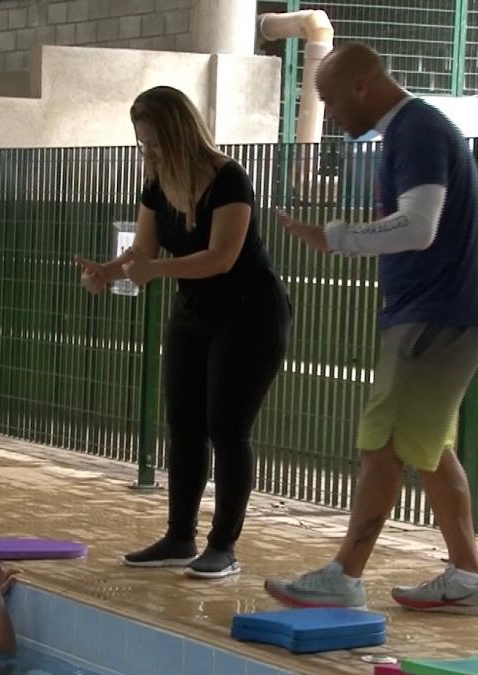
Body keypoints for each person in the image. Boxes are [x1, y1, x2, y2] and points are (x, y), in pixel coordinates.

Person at [264, 43, 478, 616]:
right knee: (428, 447)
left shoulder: (416, 130)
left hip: (434, 313)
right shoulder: (412, 130)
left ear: (362, 85)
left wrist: (336, 237)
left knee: (384, 445)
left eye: (328, 99)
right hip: (445, 311)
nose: (329, 114)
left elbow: (419, 228)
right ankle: (468, 579)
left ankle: (344, 577)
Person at [75, 85, 291, 580]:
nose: (147, 154)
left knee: (227, 429)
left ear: (179, 135)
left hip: (249, 314)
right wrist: (106, 273)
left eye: (154, 144)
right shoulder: (157, 182)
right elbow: (143, 251)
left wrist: (156, 273)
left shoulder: (228, 178)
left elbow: (221, 258)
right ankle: (179, 537)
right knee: (185, 427)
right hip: (194, 314)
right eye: (142, 145)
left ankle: (223, 546)